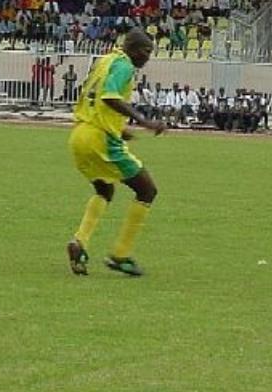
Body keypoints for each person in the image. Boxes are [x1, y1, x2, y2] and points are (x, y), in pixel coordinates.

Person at [67, 28, 165, 277]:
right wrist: (145, 121)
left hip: (80, 134)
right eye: (145, 51)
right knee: (147, 190)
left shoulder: (105, 60)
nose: (147, 57)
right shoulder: (124, 66)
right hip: (100, 138)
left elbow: (94, 98)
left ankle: (79, 242)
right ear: (131, 47)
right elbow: (110, 97)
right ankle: (120, 254)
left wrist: (120, 130)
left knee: (104, 189)